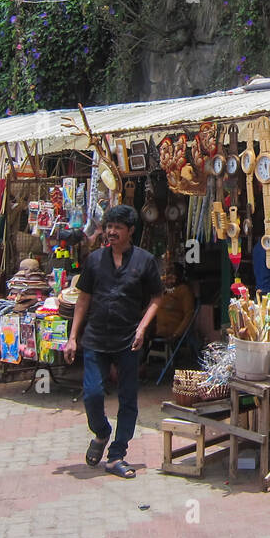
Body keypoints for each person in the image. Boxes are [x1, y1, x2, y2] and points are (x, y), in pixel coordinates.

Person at [63, 205, 163, 479]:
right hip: (96, 337)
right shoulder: (95, 260)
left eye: (118, 227)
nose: (111, 232)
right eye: (109, 226)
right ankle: (102, 432)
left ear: (130, 231)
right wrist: (73, 337)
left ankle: (117, 454)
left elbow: (157, 297)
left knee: (128, 398)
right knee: (93, 393)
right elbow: (83, 298)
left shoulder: (144, 261)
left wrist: (142, 329)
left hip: (128, 340)